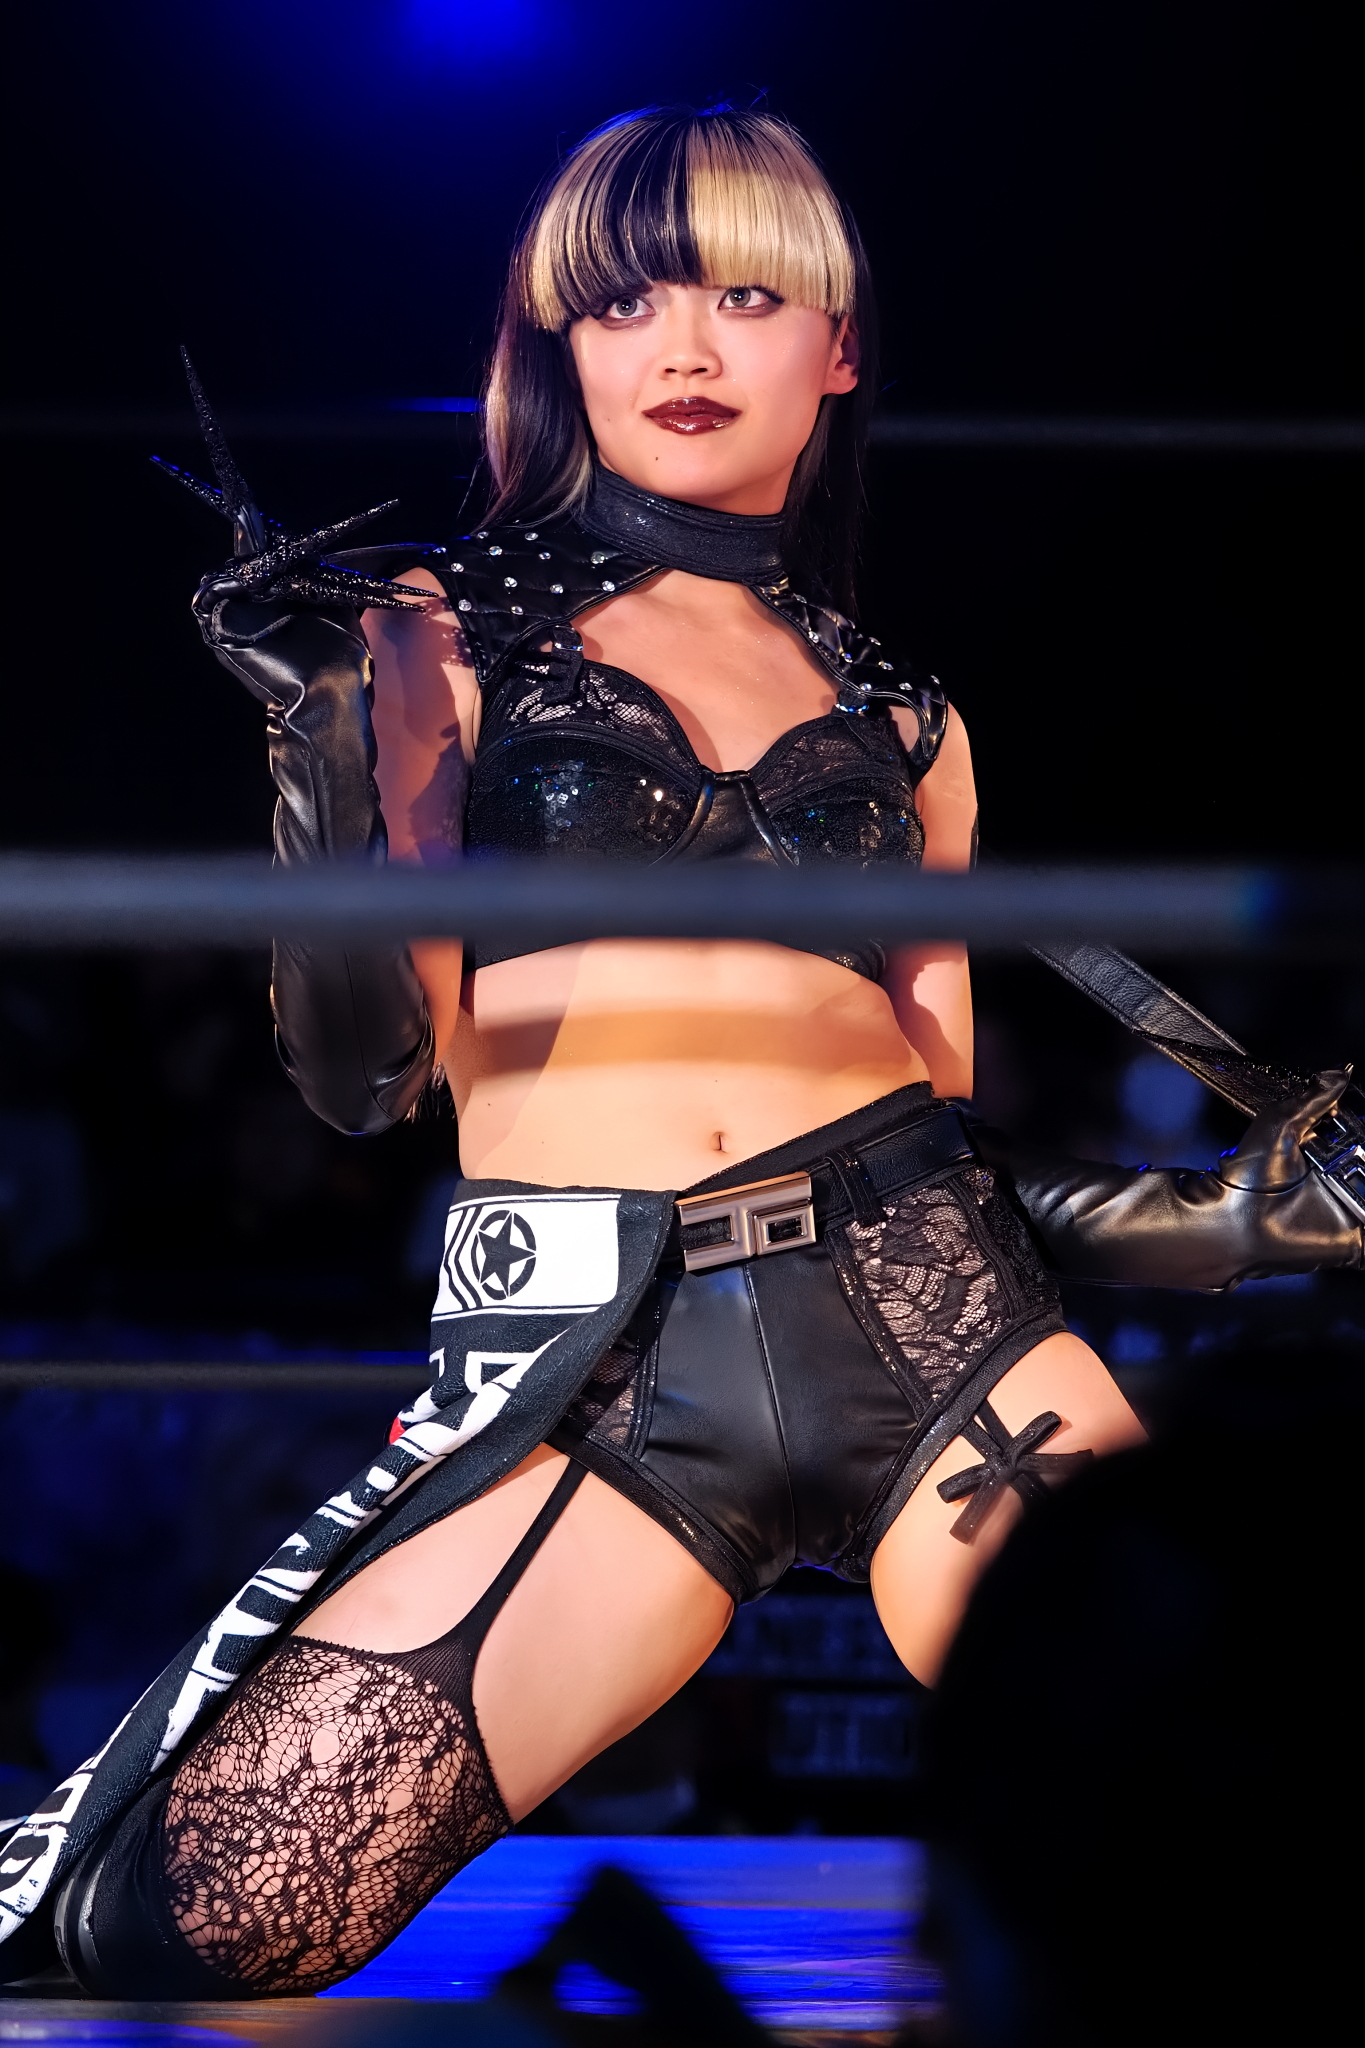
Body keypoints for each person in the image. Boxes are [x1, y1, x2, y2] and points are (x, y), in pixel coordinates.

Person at [2, 104, 1356, 2001]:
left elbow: (937, 1130)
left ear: (838, 344)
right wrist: (321, 747)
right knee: (209, 1909)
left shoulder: (903, 711)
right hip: (607, 1373)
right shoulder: (441, 628)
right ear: (558, 344)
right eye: (626, 303)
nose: (686, 348)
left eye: (744, 295)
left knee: (1243, 1811)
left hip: (935, 1323)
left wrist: (1214, 1224)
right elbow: (364, 1076)